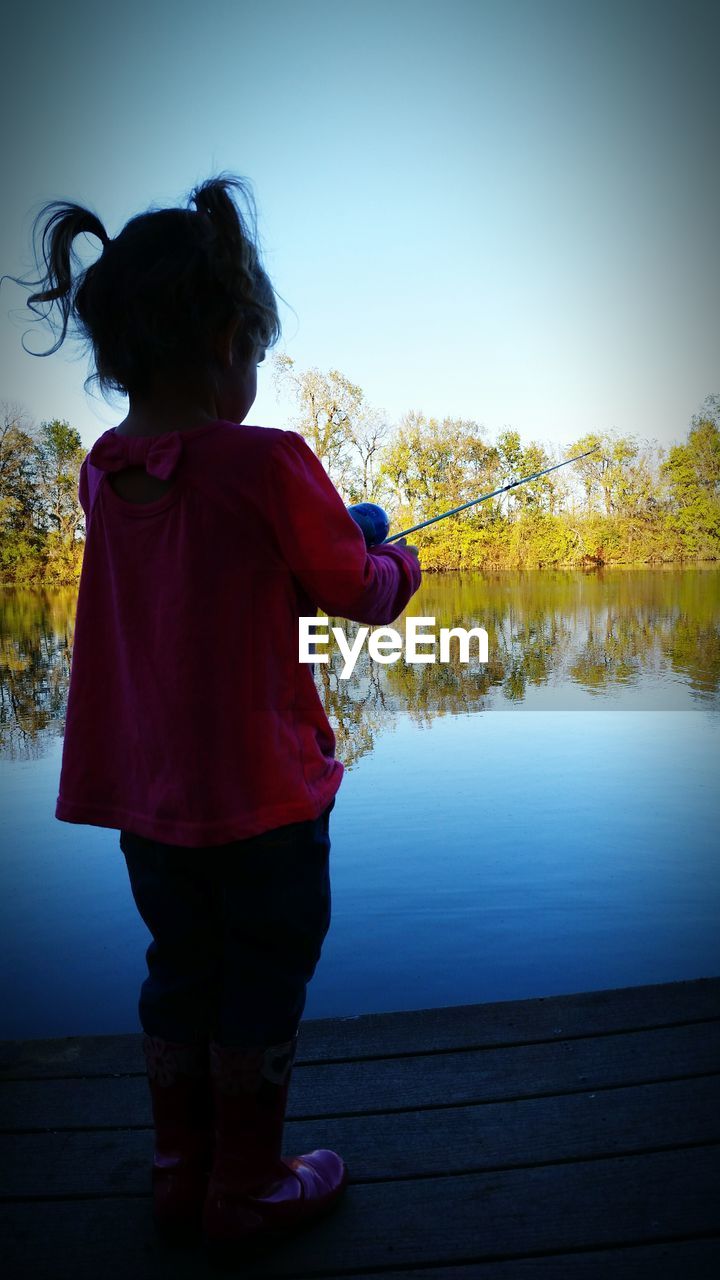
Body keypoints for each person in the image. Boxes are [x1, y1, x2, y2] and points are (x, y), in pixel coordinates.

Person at [11, 174, 422, 1261]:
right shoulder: (271, 460)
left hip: (154, 805)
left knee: (179, 969)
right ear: (233, 335)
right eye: (254, 349)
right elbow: (357, 590)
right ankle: (247, 1184)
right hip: (266, 800)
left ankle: (177, 1171)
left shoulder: (108, 474)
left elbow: (229, 561)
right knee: (268, 970)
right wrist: (395, 553)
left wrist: (332, 534)